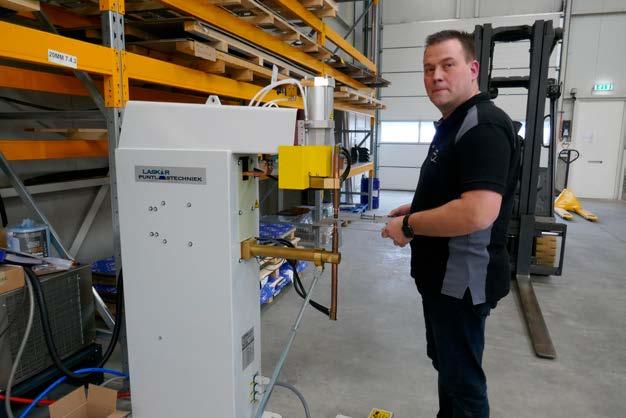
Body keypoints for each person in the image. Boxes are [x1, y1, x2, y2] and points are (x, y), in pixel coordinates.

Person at [380, 30, 519, 417]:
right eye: (429, 68)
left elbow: (477, 212)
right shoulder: (455, 123)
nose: (436, 76)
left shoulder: (483, 126)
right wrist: (417, 207)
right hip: (443, 279)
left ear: (473, 69)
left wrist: (410, 226)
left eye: (447, 65)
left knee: (463, 383)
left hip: (462, 282)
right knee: (450, 370)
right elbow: (458, 189)